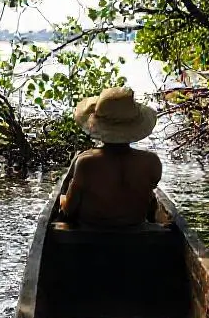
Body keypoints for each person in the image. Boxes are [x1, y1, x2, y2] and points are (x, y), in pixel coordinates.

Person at [59, 87, 163, 228]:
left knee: (62, 199)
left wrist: (63, 200)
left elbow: (69, 210)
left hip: (91, 232)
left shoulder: (86, 162)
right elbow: (150, 201)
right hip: (136, 229)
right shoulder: (151, 161)